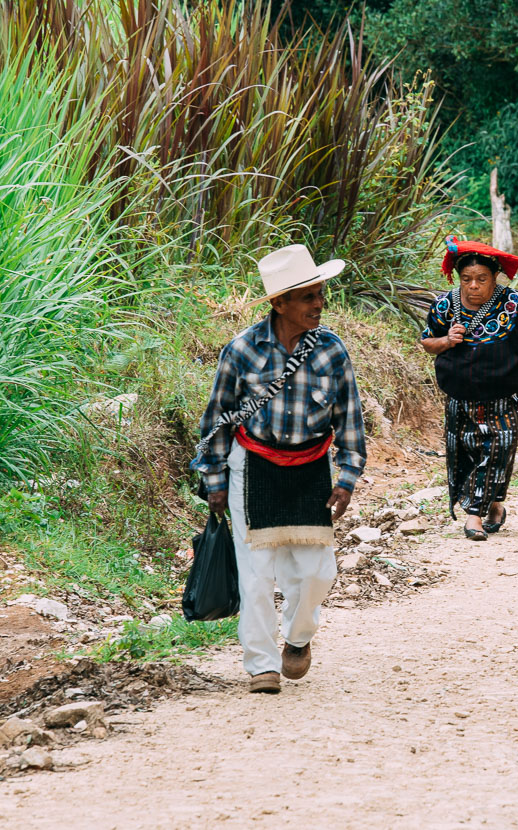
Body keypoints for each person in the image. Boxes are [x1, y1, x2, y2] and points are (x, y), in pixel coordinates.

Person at [191, 244, 366, 694]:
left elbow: (349, 420)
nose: (318, 304)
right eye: (307, 296)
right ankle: (261, 664)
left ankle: (299, 638)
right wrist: (213, 480)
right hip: (251, 466)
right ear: (279, 303)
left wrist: (346, 479)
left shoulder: (331, 351)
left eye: (320, 293)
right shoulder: (242, 350)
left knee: (316, 572)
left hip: (311, 468)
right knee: (255, 573)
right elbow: (216, 420)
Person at [420, 237, 518, 540]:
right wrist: (447, 341)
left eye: (482, 279)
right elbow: (428, 342)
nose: (474, 286)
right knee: (468, 453)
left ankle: (473, 516)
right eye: (467, 279)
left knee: (497, 449)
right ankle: (493, 505)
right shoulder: (444, 305)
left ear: (495, 278)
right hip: (461, 399)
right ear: (458, 279)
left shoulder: (513, 304)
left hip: (509, 397)